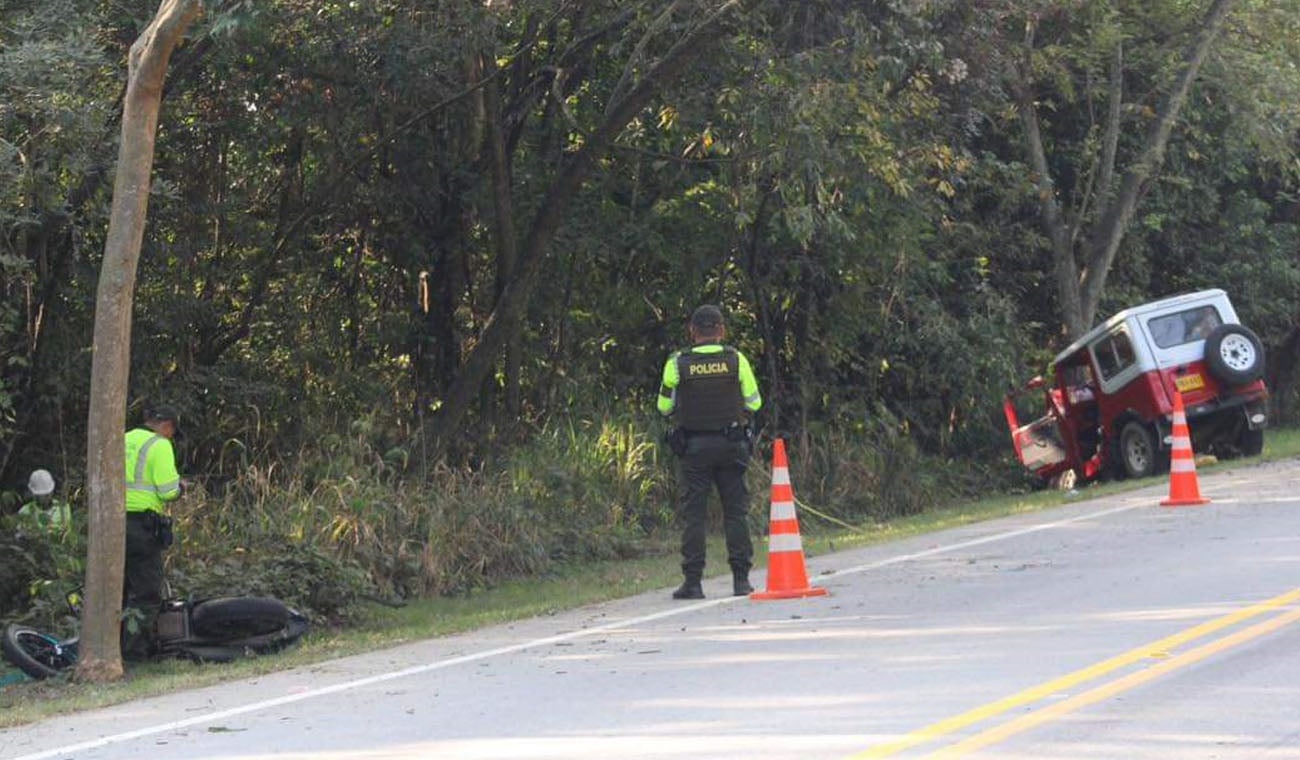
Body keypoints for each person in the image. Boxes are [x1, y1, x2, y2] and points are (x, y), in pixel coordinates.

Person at [657, 304, 762, 600]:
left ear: (692, 331)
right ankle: (741, 580)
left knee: (694, 515)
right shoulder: (736, 359)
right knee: (735, 513)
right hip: (731, 445)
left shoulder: (678, 363)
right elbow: (754, 403)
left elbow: (664, 407)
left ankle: (693, 582)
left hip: (694, 448)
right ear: (721, 330)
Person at [122, 404, 183, 660]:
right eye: (172, 431)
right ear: (167, 426)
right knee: (147, 592)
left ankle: (113, 646)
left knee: (120, 589)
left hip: (111, 523)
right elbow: (168, 491)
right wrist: (182, 488)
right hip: (141, 527)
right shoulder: (159, 445)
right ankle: (134, 653)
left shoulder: (122, 438)